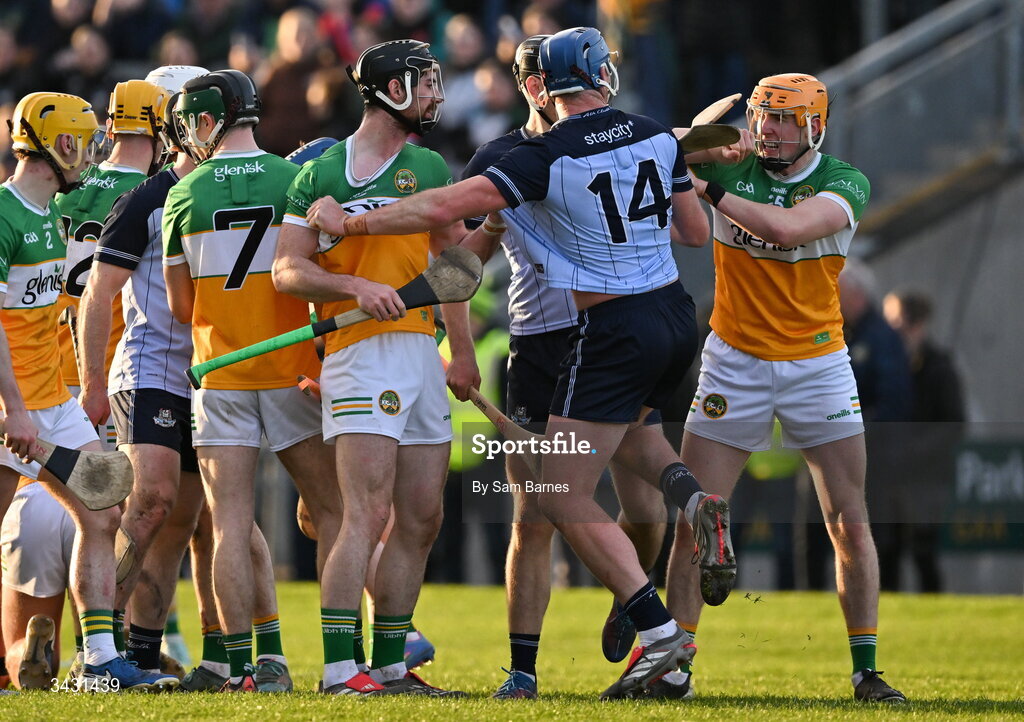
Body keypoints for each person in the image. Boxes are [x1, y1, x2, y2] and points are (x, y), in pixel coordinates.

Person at [298, 27, 734, 700]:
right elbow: (697, 234)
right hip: (675, 315)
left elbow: (446, 216)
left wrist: (354, 225)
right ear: (603, 75)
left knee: (553, 496)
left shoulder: (537, 155)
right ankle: (689, 513)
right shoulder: (652, 132)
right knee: (630, 466)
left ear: (538, 85)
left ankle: (654, 629)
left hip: (599, 328)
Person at [674, 72, 907, 703]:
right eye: (761, 116)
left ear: (815, 127)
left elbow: (786, 230)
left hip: (817, 365)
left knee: (847, 519)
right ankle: (674, 668)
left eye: (783, 120)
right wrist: (695, 145)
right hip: (733, 361)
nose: (768, 131)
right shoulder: (734, 158)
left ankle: (866, 670)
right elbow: (661, 155)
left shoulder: (844, 182)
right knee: (696, 518)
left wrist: (708, 184)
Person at [459, 35, 677, 700]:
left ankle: (635, 599)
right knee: (533, 515)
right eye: (536, 85)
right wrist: (460, 346)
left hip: (608, 334)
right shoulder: (502, 159)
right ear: (532, 90)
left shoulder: (609, 139)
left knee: (642, 507)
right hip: (541, 344)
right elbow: (458, 260)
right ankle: (523, 672)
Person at [273, 39, 478, 698]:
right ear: (392, 90)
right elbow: (286, 269)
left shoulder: (430, 165)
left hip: (420, 348)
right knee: (365, 512)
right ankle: (340, 669)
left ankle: (390, 665)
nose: (437, 96)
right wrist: (354, 289)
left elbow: (453, 269)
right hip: (359, 352)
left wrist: (464, 352)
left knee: (422, 517)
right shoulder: (321, 172)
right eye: (426, 84)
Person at [162, 69, 342, 693]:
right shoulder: (297, 179)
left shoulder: (183, 194)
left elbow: (184, 309)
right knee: (334, 513)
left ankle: (242, 666)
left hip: (223, 373)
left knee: (230, 523)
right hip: (295, 370)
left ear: (208, 121)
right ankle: (343, 661)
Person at [0, 90, 177, 691]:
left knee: (104, 505)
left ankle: (98, 659)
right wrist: (14, 409)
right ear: (63, 143)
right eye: (85, 139)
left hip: (51, 401)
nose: (93, 152)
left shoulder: (52, 212)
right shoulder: (4, 213)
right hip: (13, 406)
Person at [882, 288, 965, 591]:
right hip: (888, 477)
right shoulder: (888, 367)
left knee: (923, 553)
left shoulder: (939, 368)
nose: (888, 329)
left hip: (925, 479)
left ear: (915, 325)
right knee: (886, 553)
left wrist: (909, 453)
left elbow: (953, 424)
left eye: (895, 321)